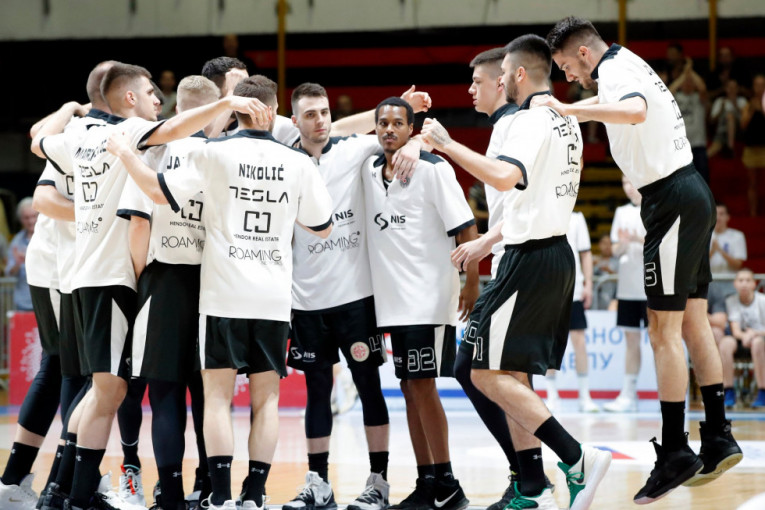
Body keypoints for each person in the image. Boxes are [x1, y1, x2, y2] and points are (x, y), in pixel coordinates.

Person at [31, 63, 270, 510]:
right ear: (129, 99)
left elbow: (37, 140)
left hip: (106, 276)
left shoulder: (87, 138)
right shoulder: (143, 137)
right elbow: (180, 136)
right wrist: (228, 102)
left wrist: (67, 110)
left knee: (122, 391)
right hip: (159, 278)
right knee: (129, 391)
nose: (157, 100)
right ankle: (80, 493)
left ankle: (81, 490)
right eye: (149, 93)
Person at [109, 74, 333, 510]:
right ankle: (256, 493)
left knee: (216, 398)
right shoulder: (298, 162)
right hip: (272, 296)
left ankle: (222, 495)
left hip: (223, 292)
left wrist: (125, 153)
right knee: (267, 401)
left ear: (237, 110)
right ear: (273, 110)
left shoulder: (214, 152)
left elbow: (157, 192)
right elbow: (322, 228)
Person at [544, 16, 741, 502]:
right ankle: (718, 435)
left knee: (662, 329)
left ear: (583, 53)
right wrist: (574, 108)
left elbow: (634, 110)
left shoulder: (614, 72)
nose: (568, 76)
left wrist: (572, 111)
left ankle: (675, 449)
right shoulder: (626, 61)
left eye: (566, 66)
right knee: (692, 321)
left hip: (670, 199)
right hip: (689, 191)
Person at [423, 35, 612, 510]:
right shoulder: (563, 119)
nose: (494, 83)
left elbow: (507, 178)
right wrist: (489, 241)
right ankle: (531, 484)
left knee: (481, 371)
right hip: (547, 252)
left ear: (517, 75)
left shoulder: (526, 121)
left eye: (500, 74)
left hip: (529, 257)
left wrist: (447, 145)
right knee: (504, 371)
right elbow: (532, 196)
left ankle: (576, 457)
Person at [284, 82, 422, 510]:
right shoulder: (284, 161)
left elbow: (396, 135)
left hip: (356, 300)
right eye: (310, 114)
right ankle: (318, 484)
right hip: (306, 302)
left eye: (325, 112)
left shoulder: (353, 149)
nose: (320, 121)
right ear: (295, 121)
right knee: (317, 393)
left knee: (368, 387)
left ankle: (378, 482)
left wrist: (416, 142)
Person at [363, 97, 477, 510]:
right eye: (383, 123)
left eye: (399, 123)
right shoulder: (368, 169)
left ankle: (448, 483)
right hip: (392, 303)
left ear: (411, 129)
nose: (389, 129)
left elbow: (467, 229)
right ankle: (427, 481)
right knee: (409, 388)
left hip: (427, 299)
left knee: (423, 387)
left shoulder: (434, 169)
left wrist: (471, 284)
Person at [115, 74, 221, 510]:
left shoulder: (153, 152)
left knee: (164, 394)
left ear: (178, 110)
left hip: (162, 282)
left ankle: (171, 492)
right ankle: (212, 488)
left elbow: (138, 224)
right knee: (209, 395)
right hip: (212, 285)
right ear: (213, 112)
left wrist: (142, 278)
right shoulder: (221, 156)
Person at [546, 211, 599, 413]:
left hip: (574, 289)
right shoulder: (544, 213)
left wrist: (588, 284)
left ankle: (585, 396)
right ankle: (552, 396)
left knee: (579, 342)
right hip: (549, 290)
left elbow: (585, 253)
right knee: (550, 343)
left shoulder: (577, 218)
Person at [602, 177, 647, 413]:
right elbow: (615, 249)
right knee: (631, 341)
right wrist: (623, 243)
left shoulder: (654, 205)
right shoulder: (621, 212)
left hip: (651, 286)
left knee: (660, 340)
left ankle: (669, 395)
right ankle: (629, 394)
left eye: (631, 181)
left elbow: (662, 243)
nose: (628, 186)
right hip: (628, 287)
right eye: (623, 182)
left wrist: (638, 239)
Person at [722, 269, 765, 409]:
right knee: (725, 343)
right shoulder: (731, 301)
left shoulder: (762, 300)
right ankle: (728, 390)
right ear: (735, 284)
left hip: (760, 339)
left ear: (754, 284)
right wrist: (746, 336)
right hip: (740, 339)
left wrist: (754, 334)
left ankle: (762, 391)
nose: (744, 284)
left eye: (748, 280)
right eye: (740, 280)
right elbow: (735, 331)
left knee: (757, 343)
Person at [668, 57, 709, 182]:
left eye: (691, 81)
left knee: (703, 180)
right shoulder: (677, 97)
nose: (688, 83)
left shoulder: (699, 97)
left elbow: (702, 88)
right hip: (680, 146)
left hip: (698, 146)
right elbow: (669, 91)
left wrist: (690, 71)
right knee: (682, 182)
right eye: (686, 81)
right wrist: (685, 74)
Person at [5, 198, 37, 311]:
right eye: (26, 218)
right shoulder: (17, 241)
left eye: (34, 216)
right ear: (21, 220)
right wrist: (17, 264)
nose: (31, 221)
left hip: (46, 299)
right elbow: (9, 273)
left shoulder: (49, 238)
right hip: (23, 301)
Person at [710, 201, 747, 298]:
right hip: (709, 283)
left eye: (721, 214)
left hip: (730, 282)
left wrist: (721, 251)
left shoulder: (737, 236)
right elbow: (698, 264)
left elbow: (738, 264)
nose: (718, 217)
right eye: (715, 214)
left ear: (728, 217)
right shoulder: (704, 235)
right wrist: (712, 251)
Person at [740, 74, 765, 216]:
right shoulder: (748, 104)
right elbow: (743, 126)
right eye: (757, 85)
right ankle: (753, 213)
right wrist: (751, 111)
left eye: (762, 85)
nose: (760, 88)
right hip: (751, 148)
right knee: (752, 183)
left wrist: (762, 109)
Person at [708, 79, 746, 159]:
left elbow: (746, 120)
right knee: (708, 154)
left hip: (739, 131)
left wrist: (735, 105)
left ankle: (730, 148)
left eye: (734, 87)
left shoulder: (742, 101)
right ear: (726, 89)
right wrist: (721, 109)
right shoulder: (720, 101)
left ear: (737, 89)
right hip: (722, 132)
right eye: (729, 87)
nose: (732, 90)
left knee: (730, 116)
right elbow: (712, 121)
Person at [593, 234, 618, 310]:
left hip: (612, 302)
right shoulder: (592, 261)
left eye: (609, 243)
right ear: (599, 245)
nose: (607, 246)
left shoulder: (618, 262)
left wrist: (610, 271)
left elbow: (624, 281)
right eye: (604, 243)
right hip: (594, 302)